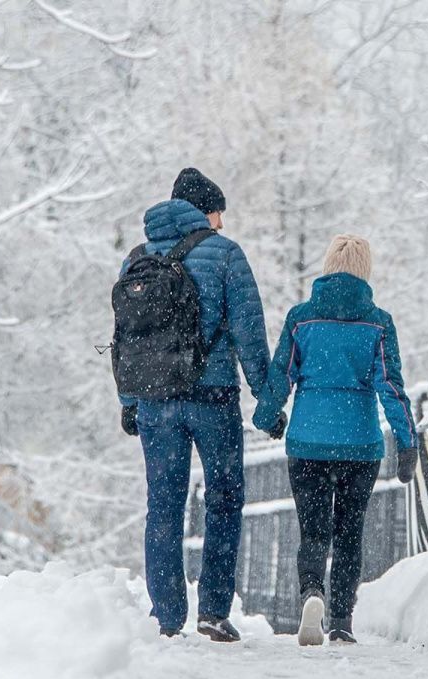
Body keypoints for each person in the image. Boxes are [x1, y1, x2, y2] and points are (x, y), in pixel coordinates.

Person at [118, 168, 275, 642]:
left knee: (162, 505)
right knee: (224, 499)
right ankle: (212, 610)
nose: (222, 223)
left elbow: (128, 334)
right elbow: (249, 331)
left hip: (154, 402)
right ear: (201, 211)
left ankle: (167, 618)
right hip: (212, 398)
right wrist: (266, 400)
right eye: (217, 212)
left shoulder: (136, 258)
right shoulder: (225, 254)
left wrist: (129, 401)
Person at [252, 234, 418, 646]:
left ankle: (312, 591)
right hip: (359, 446)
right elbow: (390, 387)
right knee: (349, 533)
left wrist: (267, 416)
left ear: (327, 267)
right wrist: (406, 440)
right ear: (365, 271)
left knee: (313, 531)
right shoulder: (378, 323)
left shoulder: (301, 318)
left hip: (307, 442)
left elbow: (280, 376)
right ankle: (342, 620)